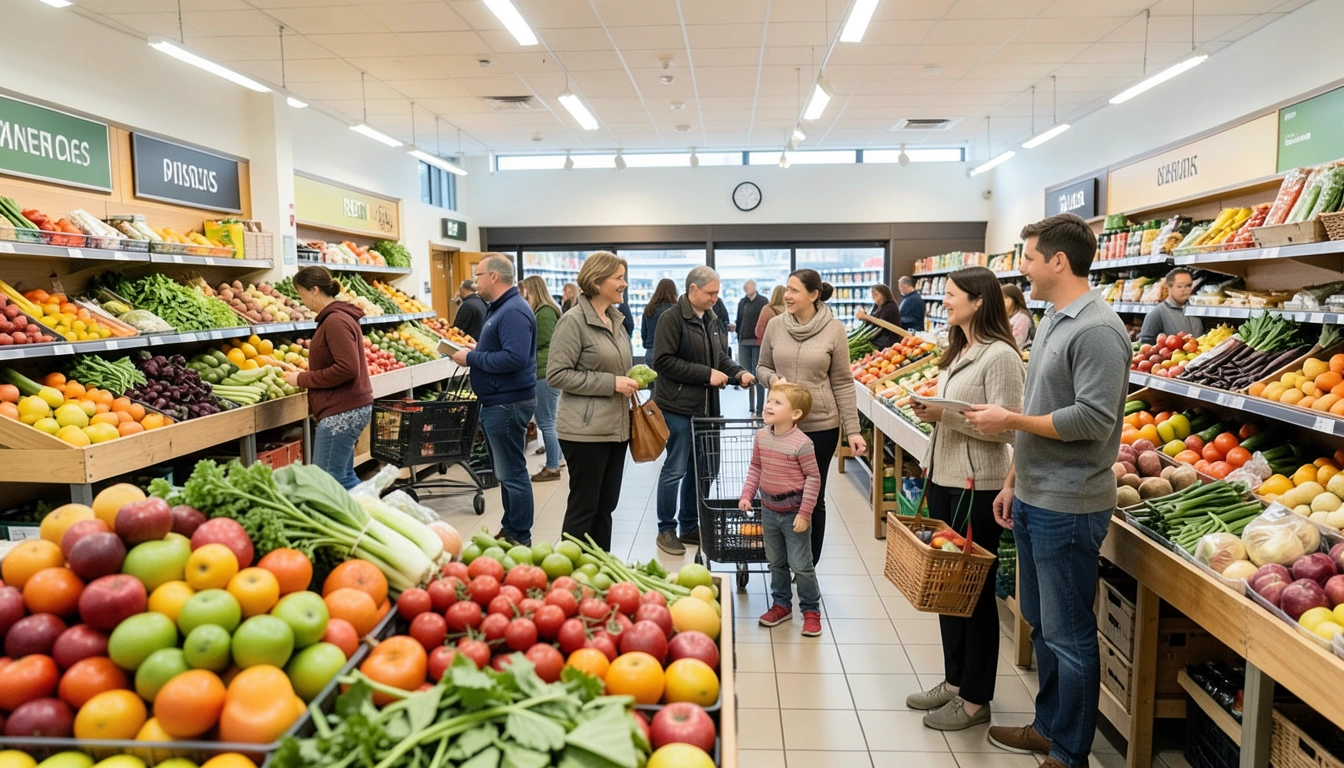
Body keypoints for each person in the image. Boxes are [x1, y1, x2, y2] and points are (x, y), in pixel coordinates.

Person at [963, 213, 1130, 768]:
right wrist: (1013, 480)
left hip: (1070, 502)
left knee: (1068, 630)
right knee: (1041, 618)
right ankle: (1048, 725)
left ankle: (1068, 750)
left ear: (1058, 261)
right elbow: (1038, 409)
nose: (1023, 269)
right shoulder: (1055, 319)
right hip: (1035, 495)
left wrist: (1009, 419)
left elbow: (1092, 420)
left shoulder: (1098, 330)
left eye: (1030, 258)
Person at [905, 266, 1026, 732]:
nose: (945, 301)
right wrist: (933, 417)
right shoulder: (962, 350)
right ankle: (954, 683)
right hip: (947, 477)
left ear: (978, 301)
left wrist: (943, 416)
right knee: (947, 590)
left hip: (979, 486)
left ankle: (976, 699)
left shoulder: (1000, 357)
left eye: (952, 295)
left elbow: (1008, 424)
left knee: (972, 595)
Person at [756, 269, 867, 564]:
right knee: (776, 494)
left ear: (814, 295)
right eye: (786, 289)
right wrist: (771, 381)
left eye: (794, 291)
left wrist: (853, 430)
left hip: (819, 426)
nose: (787, 296)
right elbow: (761, 367)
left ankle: (807, 564)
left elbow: (843, 381)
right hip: (778, 426)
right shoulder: (775, 325)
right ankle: (780, 557)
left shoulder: (834, 329)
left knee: (811, 498)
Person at [652, 266, 754, 556]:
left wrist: (738, 373)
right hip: (678, 408)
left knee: (704, 471)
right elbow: (663, 361)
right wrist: (705, 374)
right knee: (675, 469)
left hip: (708, 409)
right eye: (710, 293)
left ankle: (689, 524)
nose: (715, 298)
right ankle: (666, 528)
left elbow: (719, 356)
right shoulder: (671, 319)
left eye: (717, 292)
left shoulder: (710, 318)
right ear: (693, 289)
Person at [547, 252, 638, 551]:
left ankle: (600, 568)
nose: (624, 284)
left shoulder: (616, 320)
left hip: (616, 427)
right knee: (584, 508)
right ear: (598, 281)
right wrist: (612, 383)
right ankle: (570, 575)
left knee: (606, 507)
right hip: (584, 431)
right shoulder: (573, 321)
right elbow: (557, 375)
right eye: (619, 278)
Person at [450, 254, 538, 546]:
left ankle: (520, 535)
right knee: (507, 471)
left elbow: (515, 357)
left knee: (512, 472)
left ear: (494, 277)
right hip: (500, 401)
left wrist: (472, 357)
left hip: (507, 403)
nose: (475, 283)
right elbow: (506, 348)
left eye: (478, 276)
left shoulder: (512, 310)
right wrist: (478, 348)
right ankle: (511, 528)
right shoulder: (500, 308)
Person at [742, 383, 824, 637]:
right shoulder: (762, 437)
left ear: (795, 414)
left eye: (777, 403)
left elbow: (813, 478)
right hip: (768, 509)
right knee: (775, 562)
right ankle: (781, 604)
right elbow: (756, 467)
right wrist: (747, 494)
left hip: (793, 513)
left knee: (801, 565)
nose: (768, 405)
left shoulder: (803, 443)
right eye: (769, 400)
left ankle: (811, 611)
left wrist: (805, 513)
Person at [284, 266, 372, 490]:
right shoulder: (337, 318)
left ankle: (374, 516)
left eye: (301, 293)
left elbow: (347, 368)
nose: (302, 300)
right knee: (343, 477)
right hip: (348, 407)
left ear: (314, 290)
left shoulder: (335, 321)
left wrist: (301, 379)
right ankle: (370, 517)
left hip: (341, 412)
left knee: (324, 484)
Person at [520, 275, 563, 483]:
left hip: (544, 373)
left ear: (532, 290)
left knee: (547, 422)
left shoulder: (544, 312)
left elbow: (540, 341)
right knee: (551, 421)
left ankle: (553, 466)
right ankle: (558, 459)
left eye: (525, 290)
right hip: (547, 371)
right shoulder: (544, 310)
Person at [1138, 267, 1203, 345]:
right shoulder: (1156, 313)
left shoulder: (1197, 310)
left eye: (1188, 286)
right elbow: (1146, 345)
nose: (1184, 289)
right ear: (1169, 287)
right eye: (1179, 286)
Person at [735, 280, 769, 415]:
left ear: (754, 287)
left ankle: (760, 407)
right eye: (745, 287)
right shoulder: (742, 302)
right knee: (746, 374)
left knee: (758, 374)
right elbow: (739, 320)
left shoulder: (762, 301)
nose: (746, 288)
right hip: (744, 341)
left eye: (748, 286)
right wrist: (739, 336)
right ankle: (751, 406)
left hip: (757, 342)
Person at [855, 283, 903, 349]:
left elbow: (880, 322)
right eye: (872, 294)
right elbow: (873, 321)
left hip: (888, 342)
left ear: (884, 295)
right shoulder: (877, 306)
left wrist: (865, 316)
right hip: (879, 339)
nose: (873, 297)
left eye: (876, 294)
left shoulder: (890, 307)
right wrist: (863, 316)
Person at [642, 278, 679, 362]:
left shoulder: (649, 308)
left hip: (650, 352)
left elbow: (644, 332)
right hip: (669, 353)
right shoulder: (675, 309)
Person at [1002, 283, 1036, 349]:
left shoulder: (1021, 318)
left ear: (1011, 300)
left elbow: (1016, 342)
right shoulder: (1009, 317)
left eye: (1004, 298)